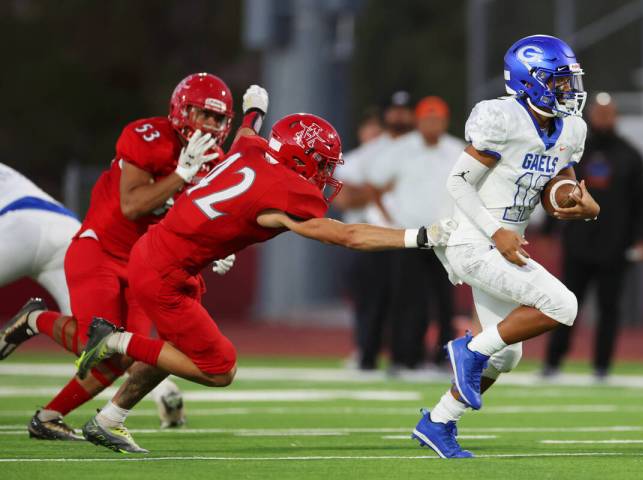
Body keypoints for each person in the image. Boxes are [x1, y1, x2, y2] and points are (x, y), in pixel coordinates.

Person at [71, 112, 456, 454]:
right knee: (219, 368)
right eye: (320, 163)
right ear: (298, 157)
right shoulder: (286, 191)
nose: (324, 173)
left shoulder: (252, 150)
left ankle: (108, 419)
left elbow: (245, 135)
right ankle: (113, 340)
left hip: (161, 252)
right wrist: (418, 236)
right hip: (164, 271)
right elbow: (347, 235)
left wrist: (254, 112)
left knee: (181, 345)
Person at [0, 74, 267, 440]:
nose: (208, 125)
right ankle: (34, 320)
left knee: (125, 356)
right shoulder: (147, 136)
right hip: (101, 250)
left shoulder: (213, 161)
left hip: (146, 265)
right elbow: (131, 205)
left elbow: (198, 212)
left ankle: (48, 418)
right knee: (94, 343)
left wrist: (218, 248)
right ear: (180, 109)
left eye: (217, 119)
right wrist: (180, 175)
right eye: (201, 114)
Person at [412, 34, 600, 458]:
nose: (570, 91)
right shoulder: (501, 118)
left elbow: (558, 184)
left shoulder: (571, 126)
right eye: (559, 82)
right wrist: (495, 231)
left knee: (507, 357)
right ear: (530, 81)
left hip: (506, 242)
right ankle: (468, 349)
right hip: (475, 240)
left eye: (571, 81)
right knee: (563, 306)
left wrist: (575, 201)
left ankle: (438, 421)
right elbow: (458, 182)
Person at [542, 92, 643, 379]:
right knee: (565, 305)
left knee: (609, 309)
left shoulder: (631, 155)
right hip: (578, 243)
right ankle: (552, 363)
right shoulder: (576, 152)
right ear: (592, 115)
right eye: (600, 113)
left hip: (615, 246)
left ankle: (602, 367)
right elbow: (556, 188)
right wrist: (549, 228)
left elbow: (642, 201)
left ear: (615, 116)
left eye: (609, 113)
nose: (604, 118)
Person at [367, 96, 465, 369]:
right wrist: (389, 218)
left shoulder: (458, 150)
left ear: (445, 122)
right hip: (409, 235)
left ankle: (443, 357)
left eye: (437, 119)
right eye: (427, 119)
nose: (432, 125)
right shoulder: (401, 149)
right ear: (418, 121)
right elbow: (375, 184)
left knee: (445, 302)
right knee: (407, 299)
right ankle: (404, 357)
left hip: (445, 238)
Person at [333, 91, 416, 370]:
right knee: (370, 301)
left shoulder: (415, 151)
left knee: (407, 303)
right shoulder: (365, 155)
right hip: (368, 235)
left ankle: (404, 358)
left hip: (406, 236)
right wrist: (379, 190)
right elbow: (342, 196)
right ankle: (366, 354)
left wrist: (372, 189)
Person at [0, 163, 79, 315]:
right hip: (69, 229)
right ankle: (36, 321)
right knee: (90, 331)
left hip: (21, 225)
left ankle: (35, 321)